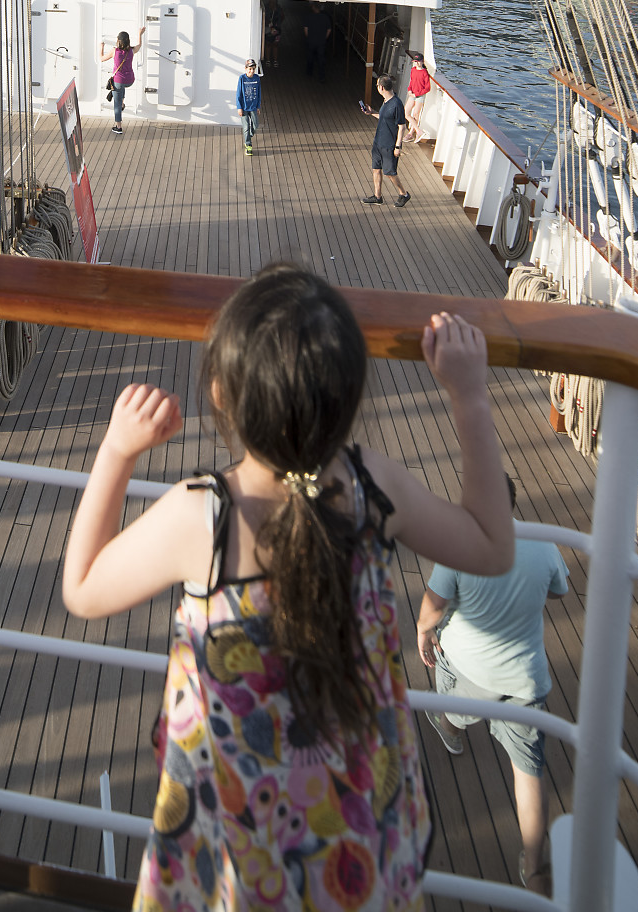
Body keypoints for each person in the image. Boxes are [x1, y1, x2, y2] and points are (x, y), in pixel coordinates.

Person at [61, 264, 514, 912]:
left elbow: (81, 589)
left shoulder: (202, 517)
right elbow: (492, 546)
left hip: (244, 835)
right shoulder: (371, 489)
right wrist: (468, 397)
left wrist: (117, 450)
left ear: (221, 394)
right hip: (359, 835)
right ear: (350, 399)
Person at [417, 480, 570, 896]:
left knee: (449, 686)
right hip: (525, 681)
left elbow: (433, 607)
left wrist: (423, 633)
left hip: (470, 671)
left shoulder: (458, 547)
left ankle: (450, 729)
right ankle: (535, 869)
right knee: (529, 772)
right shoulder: (541, 542)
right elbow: (559, 590)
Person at [361, 75, 409, 207]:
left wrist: (398, 146)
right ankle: (378, 197)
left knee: (390, 173)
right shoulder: (386, 101)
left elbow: (402, 126)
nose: (377, 87)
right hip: (378, 142)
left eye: (377, 85)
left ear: (381, 88)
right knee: (376, 169)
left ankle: (404, 194)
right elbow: (384, 117)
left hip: (389, 145)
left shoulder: (397, 104)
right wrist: (372, 112)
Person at [102, 26, 145, 133]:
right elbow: (139, 45)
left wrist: (101, 47)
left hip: (119, 81)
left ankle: (118, 127)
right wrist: (140, 34)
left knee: (116, 104)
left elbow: (101, 58)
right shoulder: (131, 51)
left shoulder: (114, 51)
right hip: (130, 80)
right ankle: (122, 103)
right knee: (121, 88)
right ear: (128, 41)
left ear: (118, 40)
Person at [236, 56, 262, 154]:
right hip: (244, 108)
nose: (252, 71)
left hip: (253, 107)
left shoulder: (256, 78)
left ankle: (249, 135)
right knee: (246, 127)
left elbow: (259, 93)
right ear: (246, 69)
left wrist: (258, 106)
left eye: (253, 69)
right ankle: (248, 145)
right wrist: (239, 107)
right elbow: (238, 94)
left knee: (255, 125)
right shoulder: (242, 78)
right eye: (250, 69)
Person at [406, 53, 432, 142]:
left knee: (416, 114)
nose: (416, 63)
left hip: (419, 96)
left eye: (418, 61)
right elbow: (412, 82)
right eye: (415, 61)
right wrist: (409, 90)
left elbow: (427, 88)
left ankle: (411, 133)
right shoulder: (413, 70)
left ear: (422, 62)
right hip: (412, 94)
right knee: (406, 113)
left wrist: (416, 94)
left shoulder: (424, 73)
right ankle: (418, 131)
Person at [303, 2, 330, 80]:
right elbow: (329, 29)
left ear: (313, 7)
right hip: (321, 41)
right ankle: (322, 76)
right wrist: (324, 38)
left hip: (311, 41)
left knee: (310, 57)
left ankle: (309, 73)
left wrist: (308, 37)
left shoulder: (309, 17)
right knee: (321, 59)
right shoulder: (325, 17)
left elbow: (305, 29)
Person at [263, 4, 282, 70]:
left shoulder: (279, 8)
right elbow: (263, 18)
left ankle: (275, 60)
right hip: (268, 30)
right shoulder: (266, 8)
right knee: (268, 44)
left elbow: (282, 17)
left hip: (277, 29)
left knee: (275, 45)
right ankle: (268, 60)